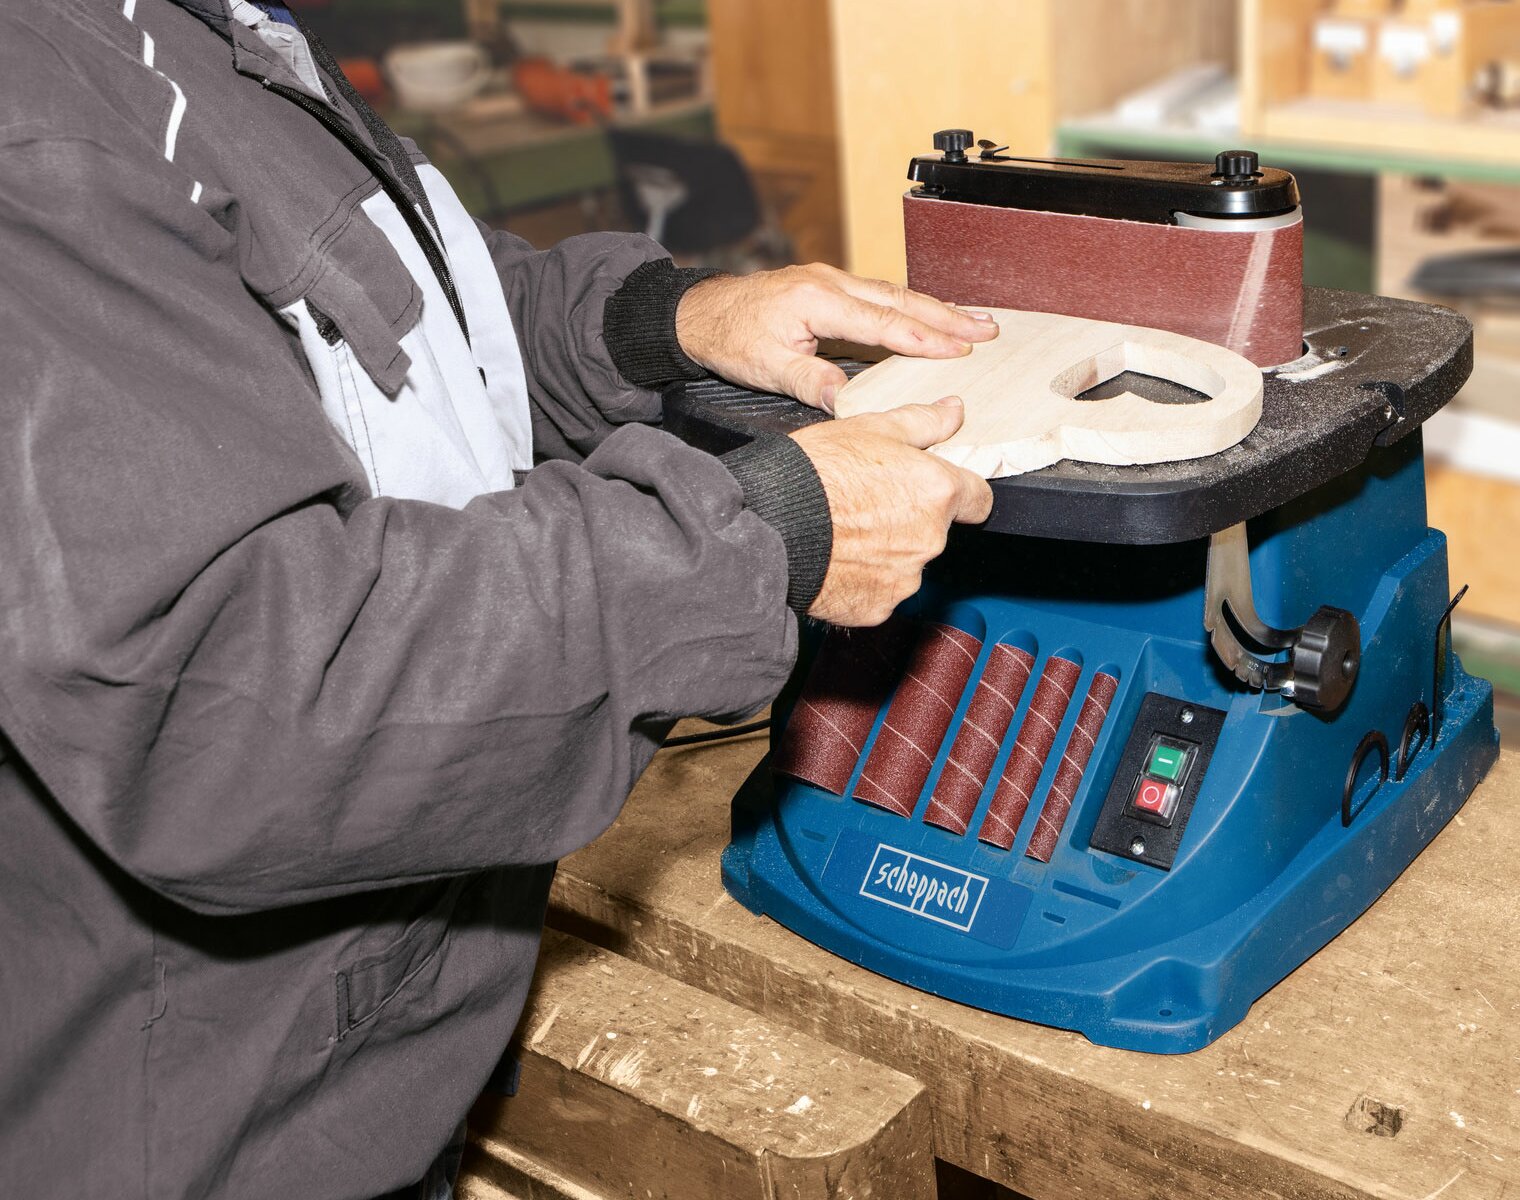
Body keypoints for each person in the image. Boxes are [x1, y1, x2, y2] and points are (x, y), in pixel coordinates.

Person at [0, 1, 997, 1196]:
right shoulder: (38, 116)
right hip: (209, 1130)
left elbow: (371, 329)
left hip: (367, 1059)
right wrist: (753, 540)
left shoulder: (189, 30)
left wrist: (653, 328)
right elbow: (237, 706)